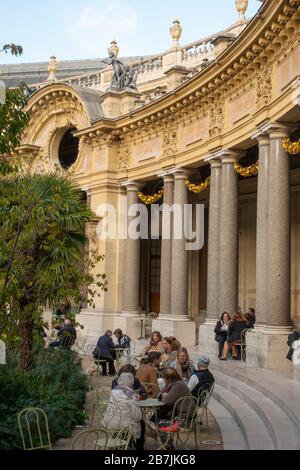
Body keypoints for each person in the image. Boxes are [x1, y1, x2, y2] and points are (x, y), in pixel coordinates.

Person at [102, 372, 145, 450]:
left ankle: (119, 443)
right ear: (131, 383)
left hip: (110, 423)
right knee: (141, 423)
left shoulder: (113, 392)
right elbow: (137, 416)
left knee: (121, 419)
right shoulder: (130, 395)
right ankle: (139, 448)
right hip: (124, 426)